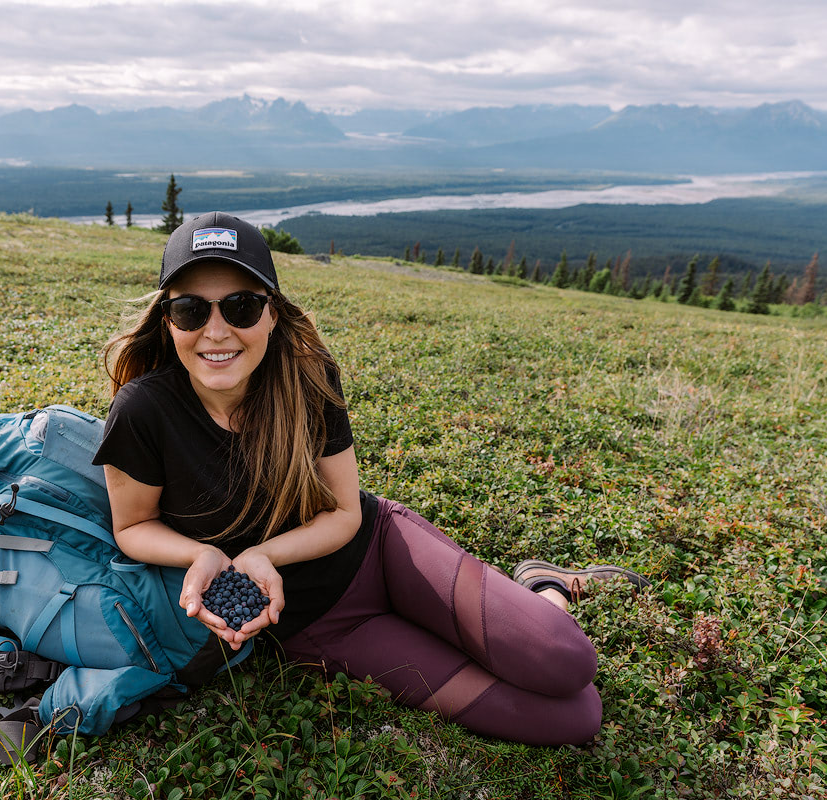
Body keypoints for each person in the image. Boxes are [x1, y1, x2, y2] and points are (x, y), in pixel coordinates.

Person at [92, 212, 648, 747]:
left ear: (272, 314)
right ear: (167, 320)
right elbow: (134, 525)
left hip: (385, 550)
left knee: (565, 660)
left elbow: (345, 512)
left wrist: (264, 554)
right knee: (576, 717)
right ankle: (514, 607)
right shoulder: (143, 410)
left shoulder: (306, 379)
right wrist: (204, 557)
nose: (216, 331)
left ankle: (541, 588)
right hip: (319, 627)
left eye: (241, 306)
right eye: (190, 309)